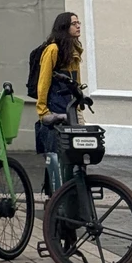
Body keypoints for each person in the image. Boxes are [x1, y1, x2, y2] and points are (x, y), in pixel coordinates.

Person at [35, 11, 83, 192]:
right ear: (64, 27)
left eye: (78, 23)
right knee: (57, 155)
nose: (78, 26)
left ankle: (73, 192)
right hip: (56, 107)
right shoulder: (53, 50)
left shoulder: (74, 50)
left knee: (76, 153)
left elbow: (76, 81)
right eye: (74, 23)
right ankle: (55, 196)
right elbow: (43, 82)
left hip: (71, 108)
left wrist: (80, 104)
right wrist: (43, 111)